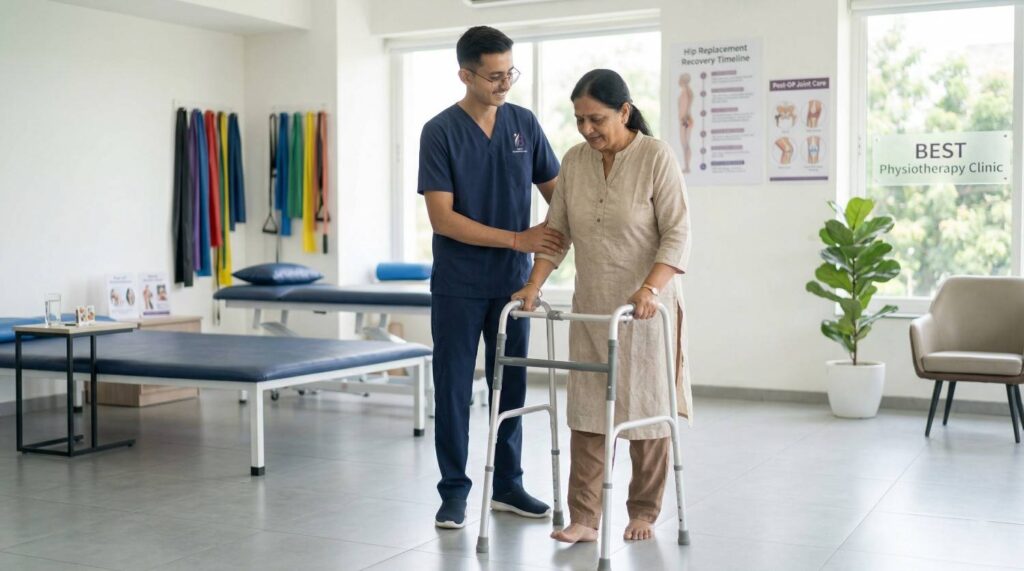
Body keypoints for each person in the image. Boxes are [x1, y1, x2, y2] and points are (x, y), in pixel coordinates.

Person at [510, 69, 693, 544]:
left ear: (625, 112)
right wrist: (533, 285)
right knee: (589, 412)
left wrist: (651, 289)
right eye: (579, 120)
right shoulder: (574, 161)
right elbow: (557, 232)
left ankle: (644, 511)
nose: (587, 129)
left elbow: (677, 232)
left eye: (597, 119)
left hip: (646, 308)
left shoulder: (656, 157)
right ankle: (585, 519)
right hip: (593, 306)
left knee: (647, 408)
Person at [418, 26, 564, 530]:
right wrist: (519, 239)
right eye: (495, 76)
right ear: (466, 74)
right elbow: (443, 219)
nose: (505, 84)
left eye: (510, 73)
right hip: (458, 284)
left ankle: (508, 485)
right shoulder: (439, 131)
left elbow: (560, 197)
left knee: (513, 387)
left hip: (513, 285)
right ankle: (454, 491)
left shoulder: (524, 123)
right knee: (454, 388)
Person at [677, 74, 694, 173]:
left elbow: (685, 108)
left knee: (685, 143)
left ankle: (687, 167)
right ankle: (687, 166)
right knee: (685, 143)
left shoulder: (686, 92)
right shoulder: (687, 91)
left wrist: (683, 119)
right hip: (685, 120)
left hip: (685, 121)